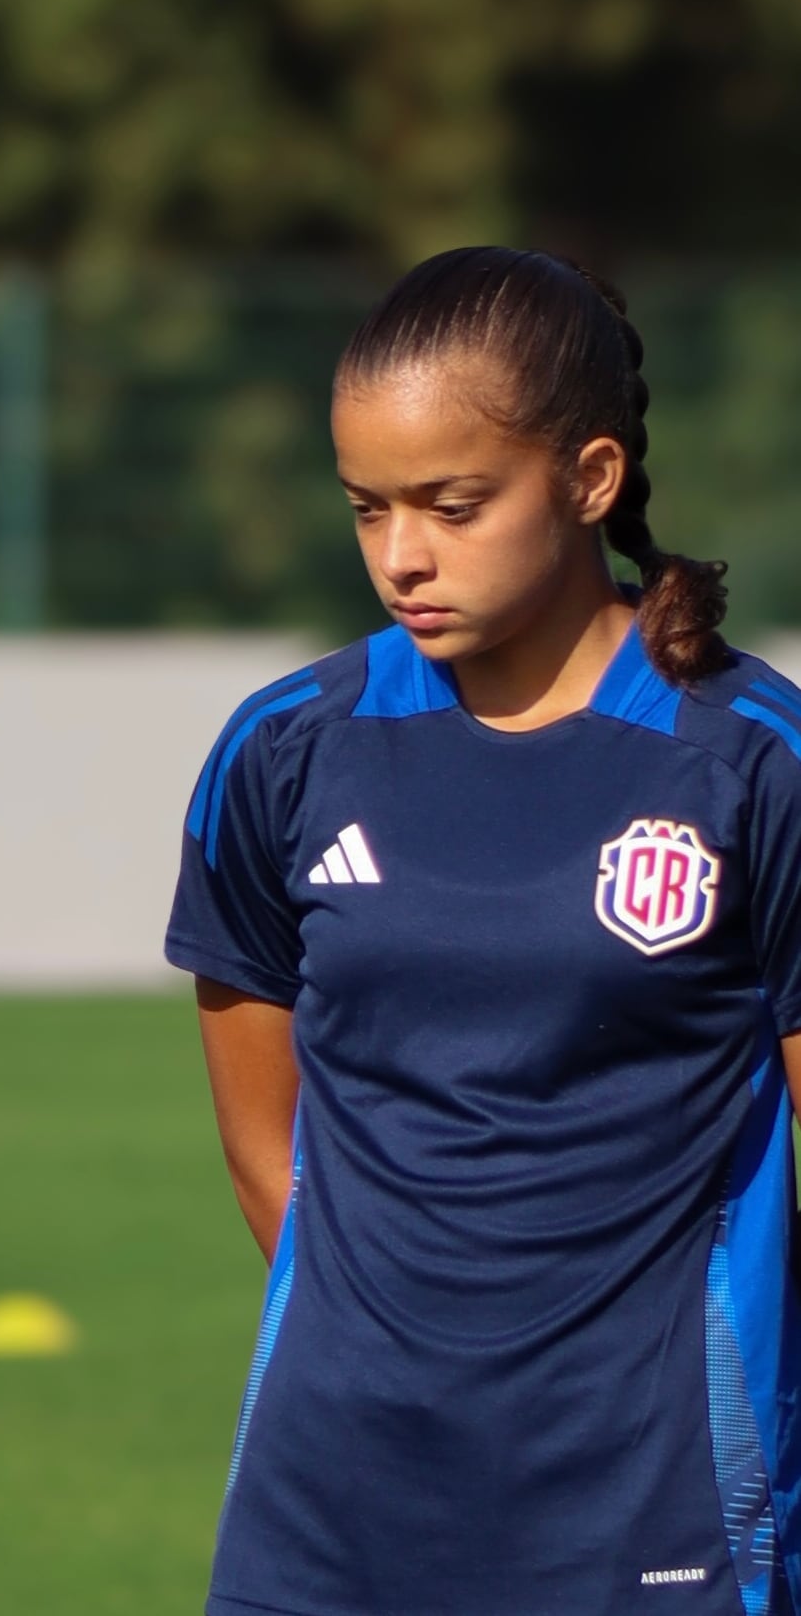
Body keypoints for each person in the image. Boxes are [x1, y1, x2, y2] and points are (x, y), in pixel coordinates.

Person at [172, 246, 801, 1615]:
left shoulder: (753, 764)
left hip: (656, 1492)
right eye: (365, 509)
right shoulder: (280, 753)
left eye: (453, 505)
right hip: (331, 1496)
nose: (402, 554)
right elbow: (257, 1135)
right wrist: (400, 1339)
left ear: (588, 478)